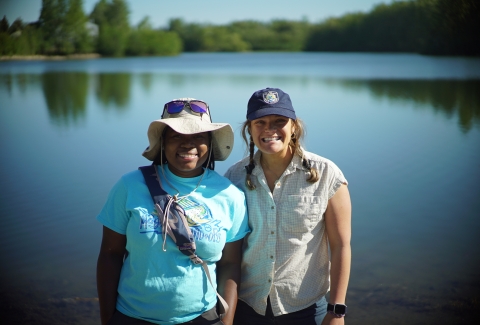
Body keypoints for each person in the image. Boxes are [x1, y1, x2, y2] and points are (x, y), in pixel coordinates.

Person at [96, 98, 250, 325]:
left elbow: (229, 264)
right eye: (177, 136)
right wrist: (108, 319)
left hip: (202, 317)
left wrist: (225, 322)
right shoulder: (129, 186)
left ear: (210, 142)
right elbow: (110, 255)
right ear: (163, 142)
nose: (188, 145)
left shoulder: (230, 196)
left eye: (198, 136)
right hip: (132, 316)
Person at [224, 88, 351, 325]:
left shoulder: (327, 174)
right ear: (249, 130)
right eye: (260, 122)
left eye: (279, 121)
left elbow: (341, 246)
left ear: (294, 126)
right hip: (247, 306)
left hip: (306, 308)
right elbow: (228, 252)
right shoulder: (234, 178)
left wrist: (336, 310)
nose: (269, 129)